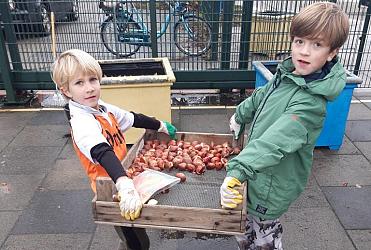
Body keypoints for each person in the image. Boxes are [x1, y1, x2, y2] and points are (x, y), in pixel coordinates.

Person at [220, 2, 349, 249]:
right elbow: (262, 95)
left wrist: (237, 169)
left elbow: (275, 140)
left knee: (265, 236)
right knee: (242, 228)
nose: (304, 51)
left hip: (271, 184)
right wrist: (241, 114)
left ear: (332, 52)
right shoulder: (289, 74)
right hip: (256, 170)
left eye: (317, 45)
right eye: (299, 41)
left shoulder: (311, 104)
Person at [51, 49, 177, 250]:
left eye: (93, 80)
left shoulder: (102, 108)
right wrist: (124, 185)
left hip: (123, 178)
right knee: (135, 242)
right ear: (66, 91)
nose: (89, 88)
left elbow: (132, 117)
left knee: (137, 236)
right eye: (79, 83)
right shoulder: (82, 122)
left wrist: (159, 125)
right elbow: (102, 151)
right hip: (111, 190)